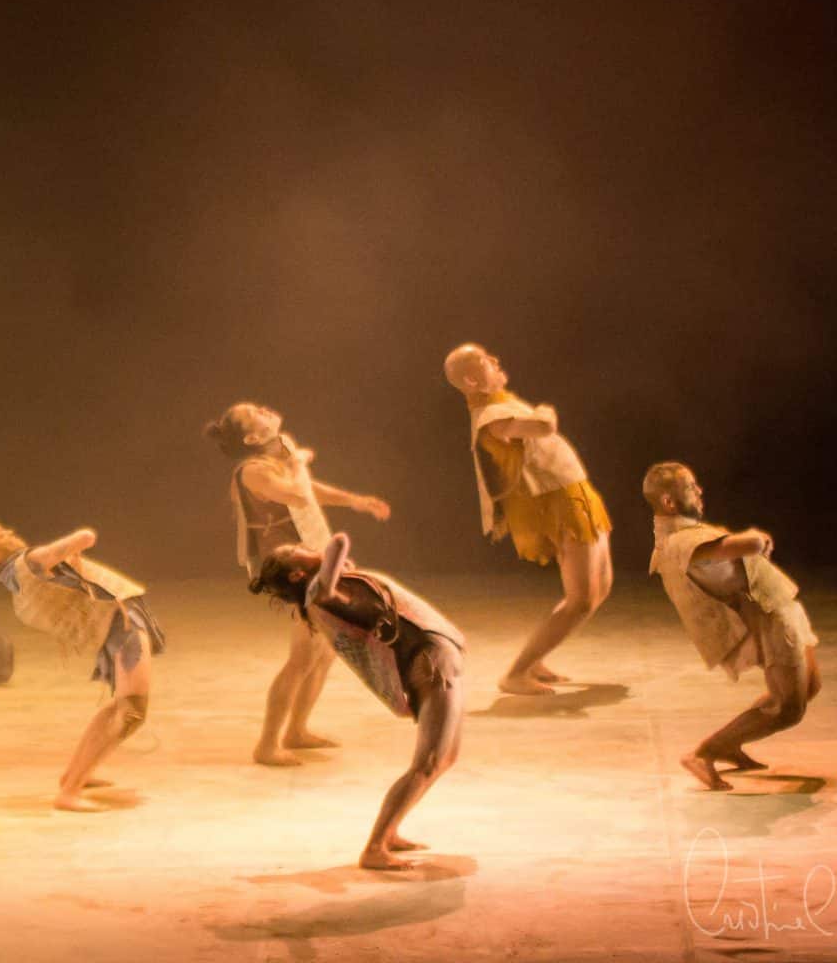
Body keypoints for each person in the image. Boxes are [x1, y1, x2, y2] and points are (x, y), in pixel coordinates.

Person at [251, 533, 466, 871]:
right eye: (298, 551)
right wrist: (331, 551)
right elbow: (336, 548)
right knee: (427, 762)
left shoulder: (328, 588)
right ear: (297, 574)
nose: (307, 547)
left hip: (433, 658)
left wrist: (329, 563)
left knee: (445, 758)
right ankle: (375, 847)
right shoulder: (319, 592)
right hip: (430, 664)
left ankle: (389, 832)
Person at [205, 402, 391, 764]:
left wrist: (354, 501)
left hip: (308, 558)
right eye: (254, 413)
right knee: (303, 656)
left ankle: (296, 730)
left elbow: (308, 489)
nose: (263, 409)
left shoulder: (279, 459)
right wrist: (299, 463)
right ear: (252, 438)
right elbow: (296, 494)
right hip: (289, 567)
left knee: (325, 651)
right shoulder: (253, 471)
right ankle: (267, 744)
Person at [0, 519, 165, 811]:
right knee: (131, 711)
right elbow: (85, 536)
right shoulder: (30, 562)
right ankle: (70, 791)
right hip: (120, 625)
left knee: (122, 708)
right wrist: (73, 546)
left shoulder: (17, 580)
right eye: (0, 535)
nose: (11, 533)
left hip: (116, 623)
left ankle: (75, 777)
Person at [642, 461, 821, 791]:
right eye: (690, 488)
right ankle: (705, 753)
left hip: (780, 608)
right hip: (773, 619)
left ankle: (726, 745)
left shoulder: (682, 535)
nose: (699, 491)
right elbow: (739, 546)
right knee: (788, 708)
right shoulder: (680, 542)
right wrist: (756, 540)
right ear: (668, 502)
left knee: (809, 686)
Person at [445, 344, 613, 694]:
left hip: (573, 494)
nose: (496, 361)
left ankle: (535, 660)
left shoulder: (499, 404)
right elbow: (543, 426)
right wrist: (545, 410)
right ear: (472, 381)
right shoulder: (490, 415)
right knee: (581, 598)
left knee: (601, 586)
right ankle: (516, 673)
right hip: (558, 503)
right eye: (486, 361)